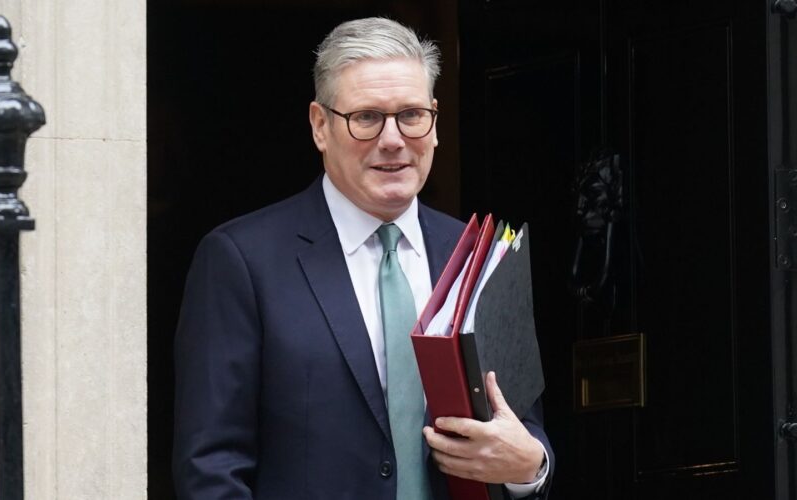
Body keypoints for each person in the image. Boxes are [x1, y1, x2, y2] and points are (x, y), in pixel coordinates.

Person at [172, 17, 553, 500]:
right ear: (319, 125)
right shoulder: (241, 261)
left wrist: (530, 467)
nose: (393, 139)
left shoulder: (481, 258)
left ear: (435, 122)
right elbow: (211, 468)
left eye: (411, 115)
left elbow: (526, 433)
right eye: (367, 117)